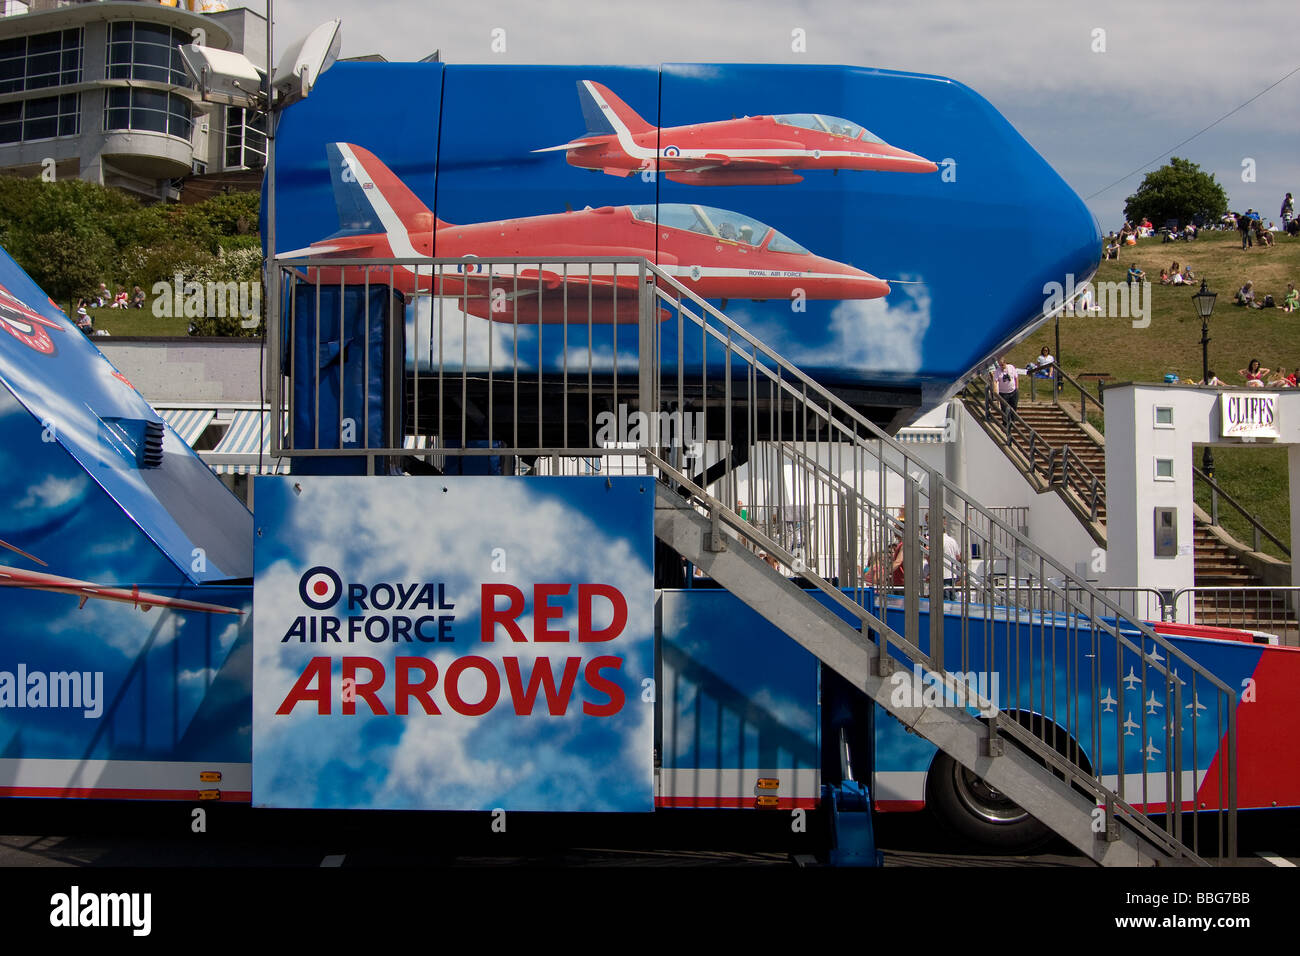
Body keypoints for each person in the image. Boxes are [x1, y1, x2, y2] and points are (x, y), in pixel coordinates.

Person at [991, 356, 1020, 424]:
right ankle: (1005, 423)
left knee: (1014, 407)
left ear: (1005, 363)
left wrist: (1017, 387)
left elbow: (1016, 377)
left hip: (1013, 391)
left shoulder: (1011, 367)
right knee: (1004, 408)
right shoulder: (998, 371)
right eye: (1000, 365)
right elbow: (995, 381)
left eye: (1002, 364)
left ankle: (1013, 422)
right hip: (1003, 393)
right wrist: (995, 392)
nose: (1001, 366)